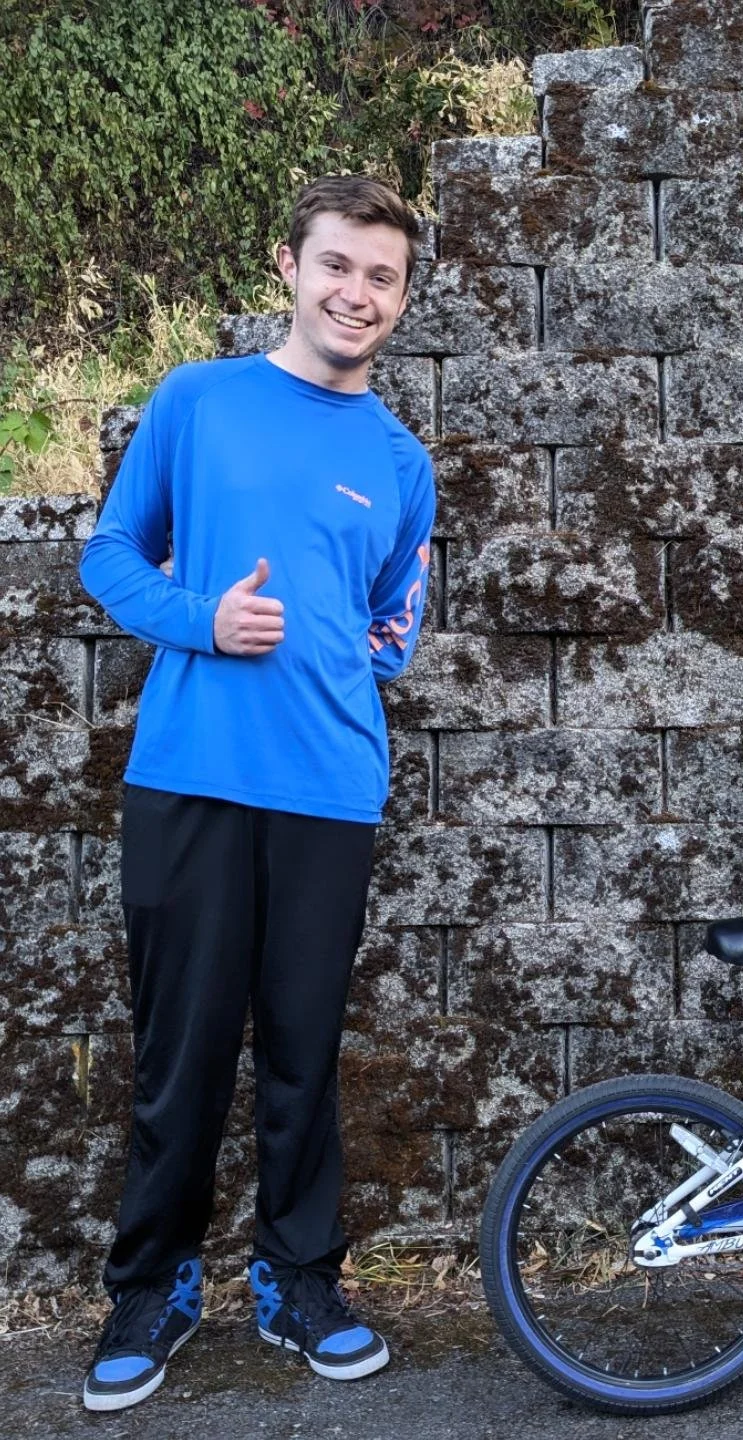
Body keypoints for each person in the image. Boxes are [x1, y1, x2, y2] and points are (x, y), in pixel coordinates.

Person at [76, 175, 435, 1412]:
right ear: (288, 267)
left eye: (382, 277)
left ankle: (298, 1279)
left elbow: (395, 618)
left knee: (301, 1048)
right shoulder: (198, 402)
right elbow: (108, 555)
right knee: (179, 1052)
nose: (357, 293)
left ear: (401, 298)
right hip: (188, 779)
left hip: (332, 788)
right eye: (337, 266)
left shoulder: (400, 459)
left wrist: (347, 653)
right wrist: (201, 620)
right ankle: (150, 1288)